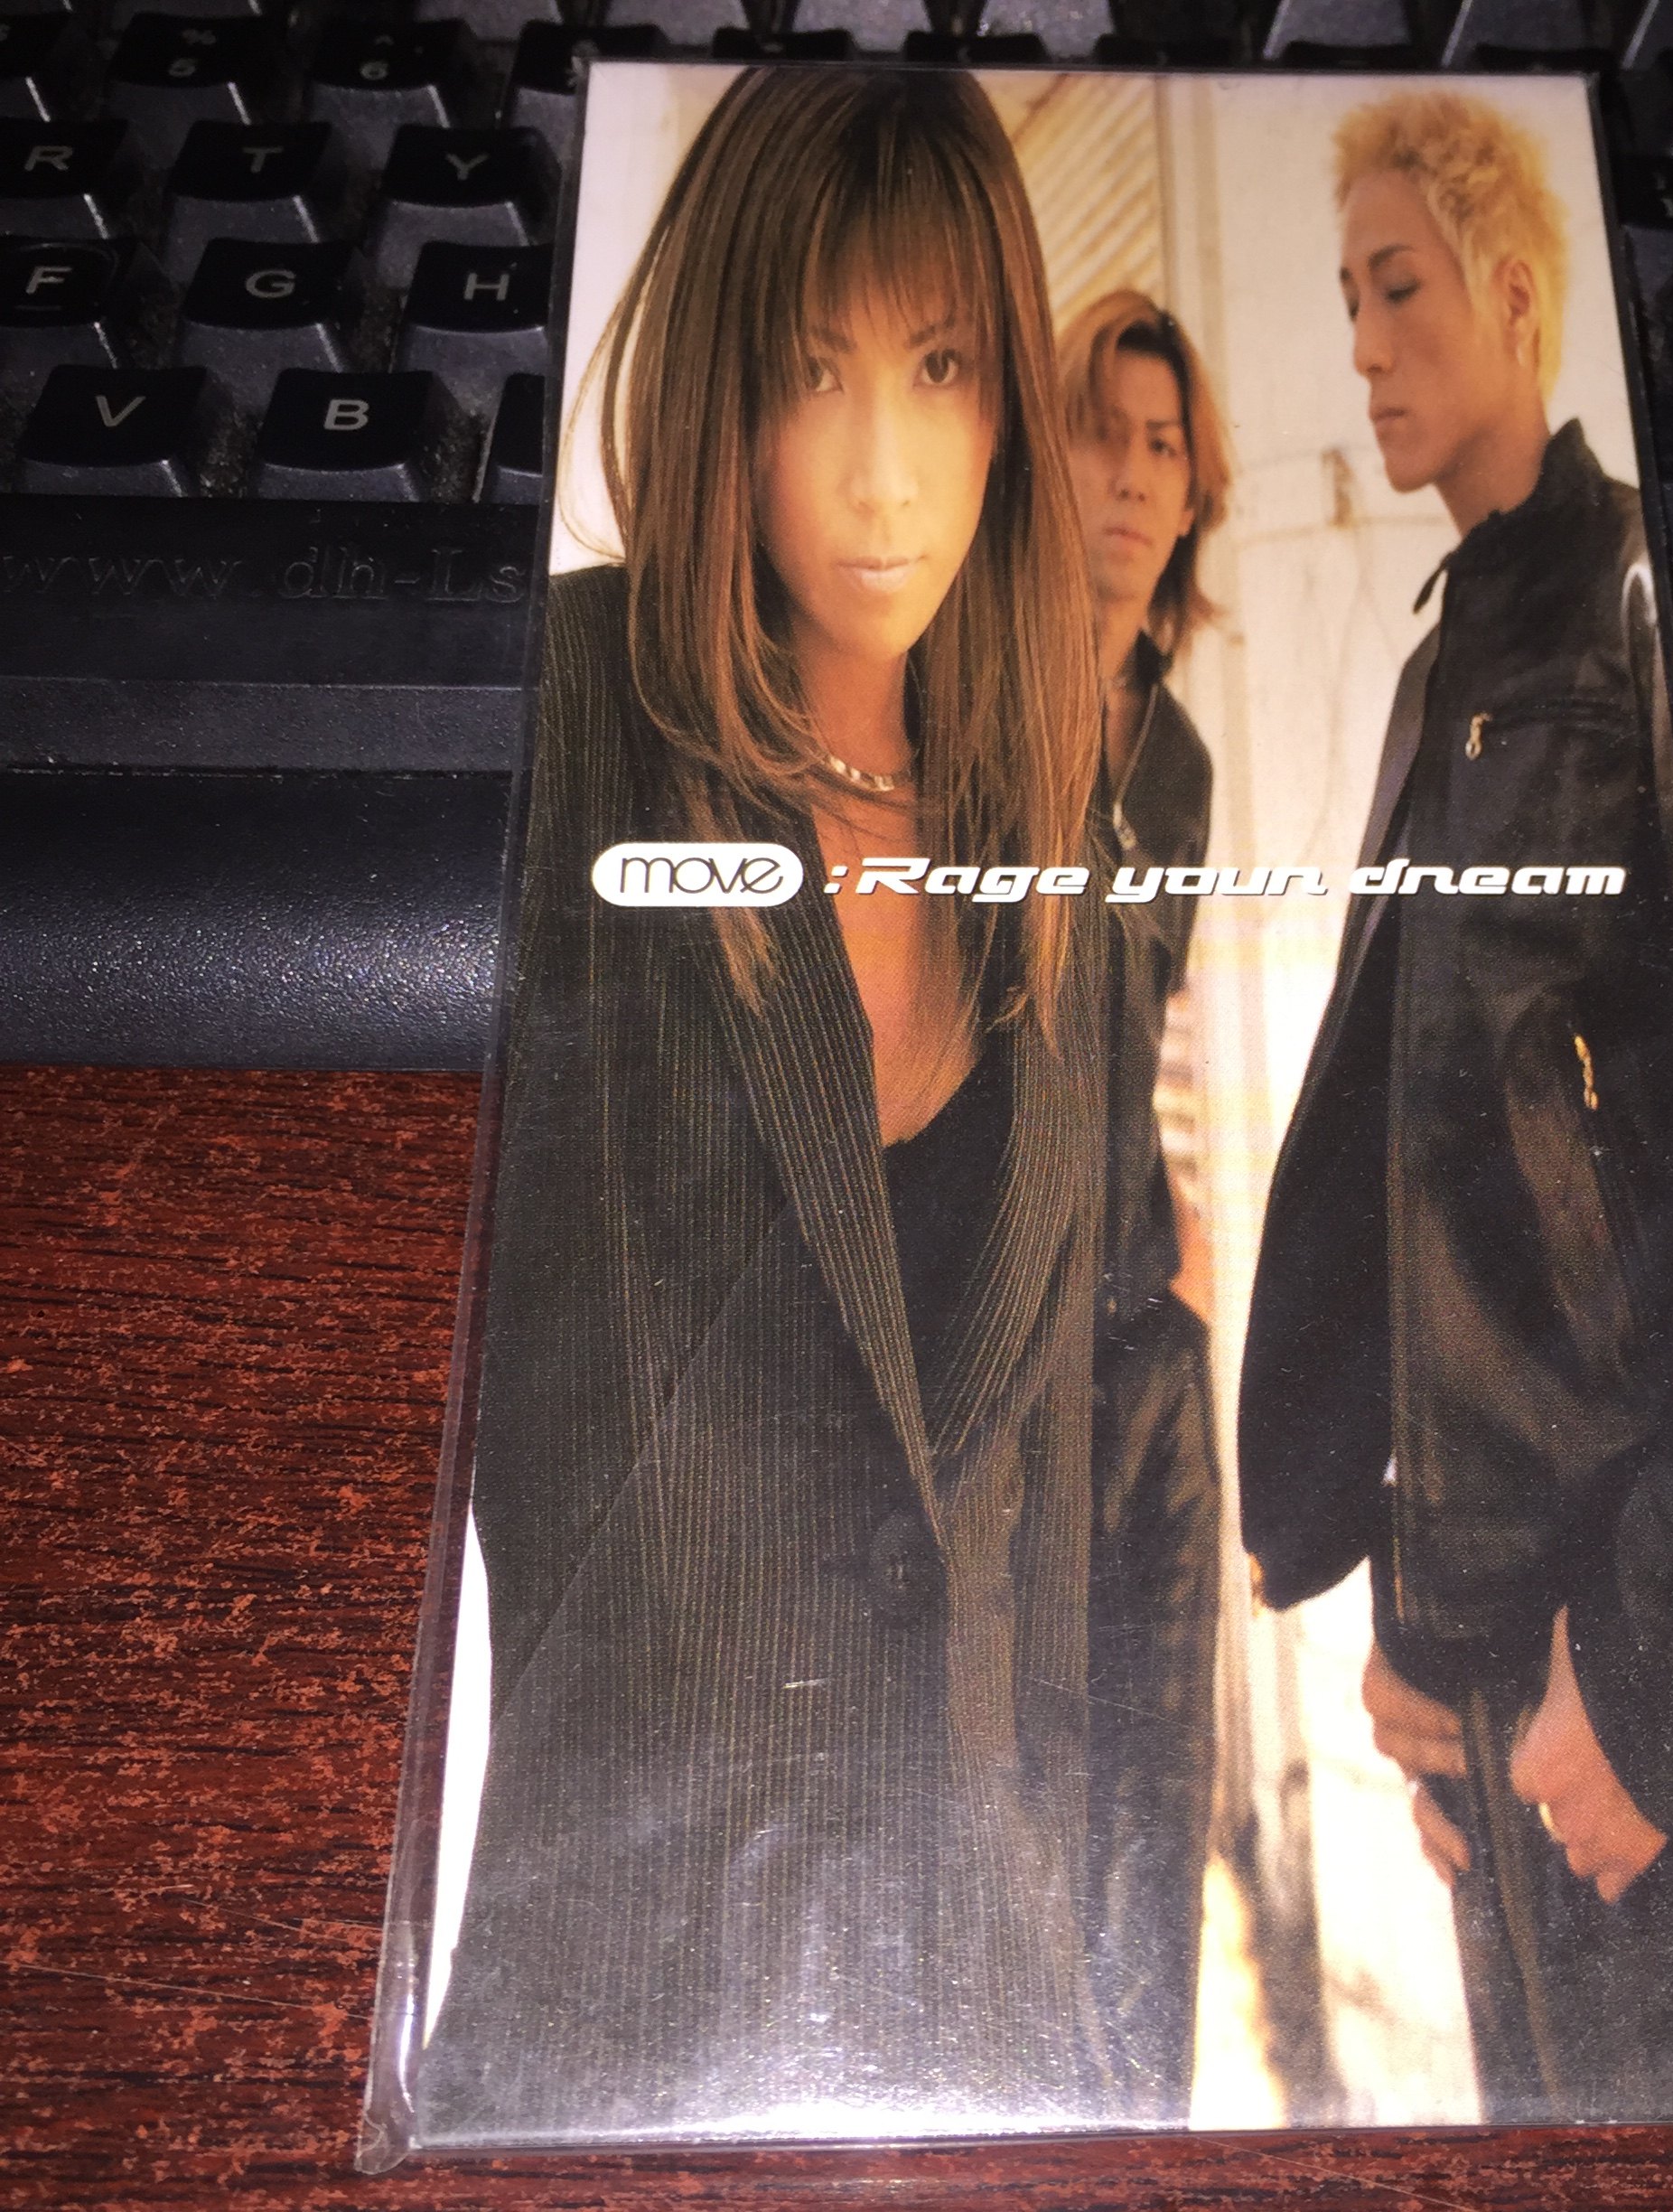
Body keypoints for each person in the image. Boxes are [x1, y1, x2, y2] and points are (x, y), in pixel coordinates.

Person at [413, 67, 1111, 2142]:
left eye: (940, 370)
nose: (885, 475)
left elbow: (1035, 1505)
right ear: (724, 389)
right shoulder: (567, 725)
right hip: (623, 2010)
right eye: (815, 375)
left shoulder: (1046, 842)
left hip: (988, 2019)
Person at [1235, 89, 1673, 2121]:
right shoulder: (1451, 663)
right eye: (1347, 298)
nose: (1363, 343)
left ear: (1514, 292)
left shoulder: (1640, 610)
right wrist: (1417, 1625)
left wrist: (1654, 1661)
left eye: (1400, 287)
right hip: (1503, 1671)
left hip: (1654, 1661)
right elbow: (1437, 1168)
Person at [1055, 289, 1231, 2118]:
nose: (1128, 471)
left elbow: (1139, 1032)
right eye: (1097, 432)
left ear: (1194, 494)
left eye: (1161, 444)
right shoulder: (958, 702)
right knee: (1028, 1822)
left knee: (1153, 1821)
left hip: (1146, 1351)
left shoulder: (1178, 771)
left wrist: (1177, 1241)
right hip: (1000, 1350)